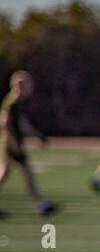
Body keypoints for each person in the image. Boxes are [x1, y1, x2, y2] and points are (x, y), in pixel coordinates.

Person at [0, 71, 57, 217]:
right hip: (11, 144)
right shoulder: (12, 102)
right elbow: (5, 124)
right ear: (19, 86)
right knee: (27, 174)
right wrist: (13, 144)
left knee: (5, 173)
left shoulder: (17, 102)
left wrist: (37, 135)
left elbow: (22, 124)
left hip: (12, 143)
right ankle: (42, 205)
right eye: (27, 84)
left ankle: (42, 204)